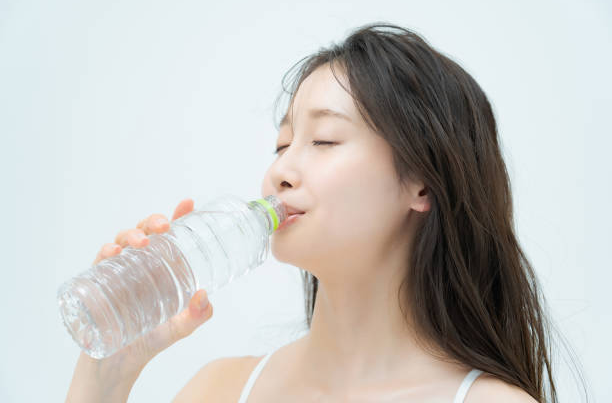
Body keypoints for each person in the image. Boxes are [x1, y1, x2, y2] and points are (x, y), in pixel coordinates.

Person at [65, 23, 572, 402]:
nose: (281, 171)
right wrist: (105, 374)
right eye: (282, 145)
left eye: (324, 140)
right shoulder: (217, 391)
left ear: (421, 183)